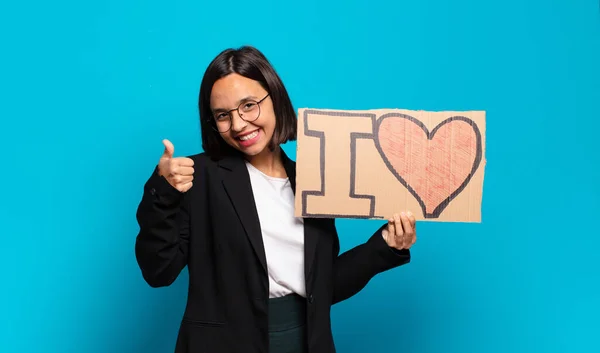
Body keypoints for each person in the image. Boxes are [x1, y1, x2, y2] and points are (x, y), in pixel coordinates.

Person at [134, 45, 417, 353]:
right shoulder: (199, 177)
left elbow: (323, 288)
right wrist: (162, 191)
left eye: (249, 105)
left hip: (304, 341)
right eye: (223, 115)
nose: (239, 124)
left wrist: (385, 246)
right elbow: (159, 272)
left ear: (274, 97)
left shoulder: (314, 181)